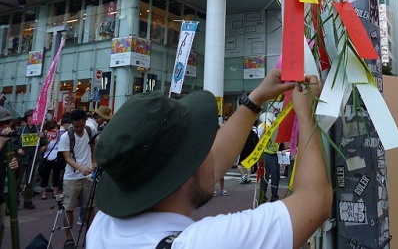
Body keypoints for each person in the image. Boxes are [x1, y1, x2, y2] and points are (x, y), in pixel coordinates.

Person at [87, 69, 332, 248]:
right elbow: (315, 200)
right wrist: (306, 113)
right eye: (199, 148)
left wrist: (255, 99)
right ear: (180, 175)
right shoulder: (203, 243)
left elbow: (210, 160)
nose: (208, 152)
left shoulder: (104, 226)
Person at [58, 108, 97, 249]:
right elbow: (67, 157)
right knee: (69, 208)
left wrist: (93, 162)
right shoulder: (65, 137)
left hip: (88, 176)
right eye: (76, 126)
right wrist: (80, 168)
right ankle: (69, 239)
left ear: (85, 121)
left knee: (90, 206)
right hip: (71, 177)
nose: (79, 129)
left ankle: (90, 235)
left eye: (81, 125)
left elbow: (94, 145)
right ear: (71, 124)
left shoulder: (89, 131)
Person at [16, 108, 47, 210]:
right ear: (27, 118)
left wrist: (42, 137)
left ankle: (28, 201)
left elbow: (43, 143)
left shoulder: (38, 130)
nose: (32, 118)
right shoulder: (21, 130)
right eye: (30, 116)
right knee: (17, 180)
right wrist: (18, 149)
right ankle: (14, 201)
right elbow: (13, 142)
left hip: (33, 159)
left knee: (30, 180)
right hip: (21, 159)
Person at [0, 107, 19, 246]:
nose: (5, 127)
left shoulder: (6, 142)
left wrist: (12, 162)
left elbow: (7, 162)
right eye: (1, 124)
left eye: (7, 123)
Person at [39, 120, 65, 200]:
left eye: (56, 128)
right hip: (47, 158)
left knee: (56, 176)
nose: (55, 130)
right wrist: (47, 142)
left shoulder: (60, 138)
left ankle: (55, 192)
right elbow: (42, 150)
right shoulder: (45, 138)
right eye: (53, 129)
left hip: (57, 159)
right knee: (45, 176)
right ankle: (43, 192)